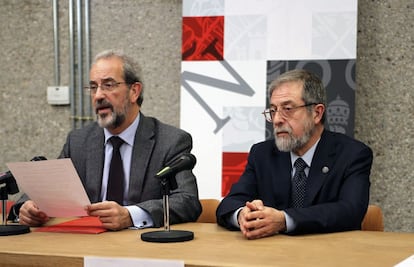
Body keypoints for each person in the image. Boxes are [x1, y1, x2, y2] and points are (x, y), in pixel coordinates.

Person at [12, 49, 202, 230]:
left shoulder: (170, 141)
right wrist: (26, 207)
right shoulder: (79, 141)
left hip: (143, 248)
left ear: (134, 91)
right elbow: (48, 189)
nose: (98, 95)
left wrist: (130, 215)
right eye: (93, 87)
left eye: (108, 85)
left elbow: (188, 201)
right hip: (87, 246)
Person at [216, 69, 373, 238]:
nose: (276, 120)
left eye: (287, 109)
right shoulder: (262, 154)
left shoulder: (352, 154)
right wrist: (243, 215)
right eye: (273, 110)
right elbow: (228, 204)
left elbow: (350, 211)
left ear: (316, 113)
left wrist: (284, 220)